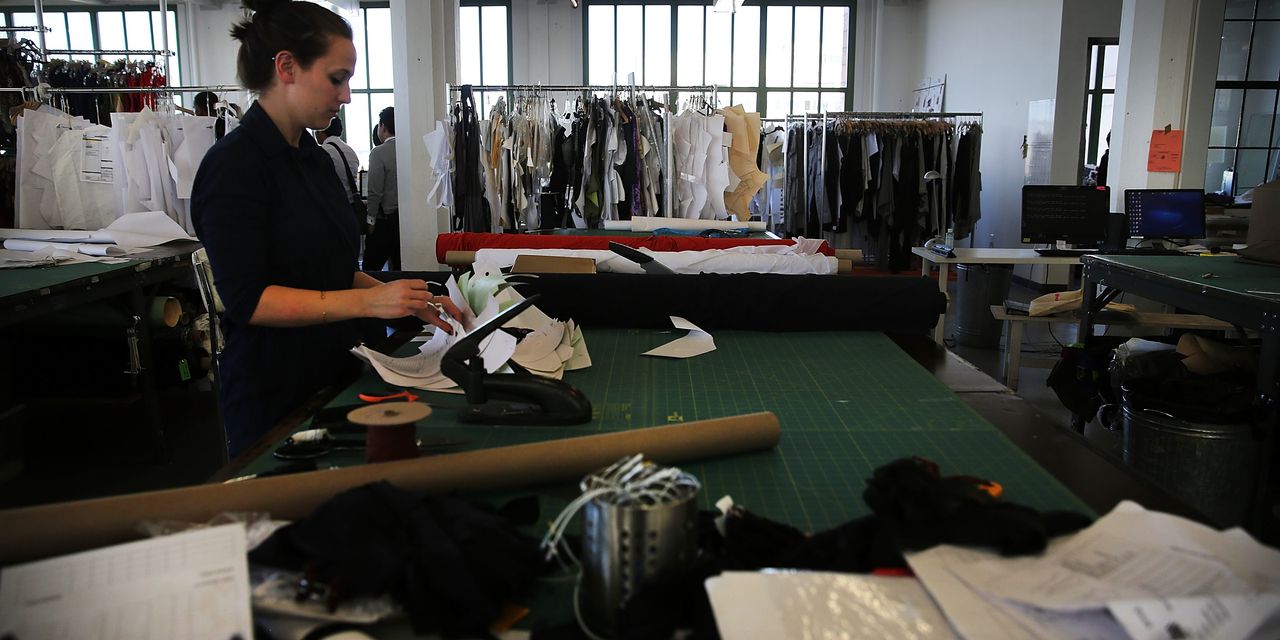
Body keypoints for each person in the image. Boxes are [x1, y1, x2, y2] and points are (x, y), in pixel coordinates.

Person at [191, 0, 459, 456]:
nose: (347, 95)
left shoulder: (313, 160)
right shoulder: (233, 168)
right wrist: (371, 302)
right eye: (337, 78)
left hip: (336, 372)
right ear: (286, 67)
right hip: (276, 392)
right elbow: (248, 300)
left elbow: (330, 271)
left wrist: (409, 301)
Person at [364, 106, 400, 270]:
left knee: (370, 269)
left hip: (385, 221)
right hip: (405, 221)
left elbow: (375, 191)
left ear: (383, 126)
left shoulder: (378, 152)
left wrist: (370, 219)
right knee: (399, 267)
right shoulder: (407, 149)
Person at [315, 116, 360, 203]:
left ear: (321, 130)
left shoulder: (323, 151)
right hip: (351, 205)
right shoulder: (350, 151)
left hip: (334, 205)